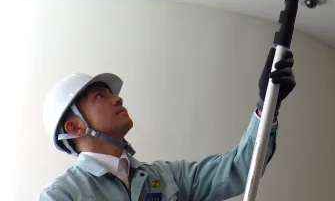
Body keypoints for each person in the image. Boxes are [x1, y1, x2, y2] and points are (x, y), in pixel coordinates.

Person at [39, 48, 295, 201]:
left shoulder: (166, 177)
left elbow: (240, 168)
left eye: (111, 94)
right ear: (75, 127)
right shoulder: (61, 195)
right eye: (99, 96)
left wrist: (267, 105)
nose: (117, 99)